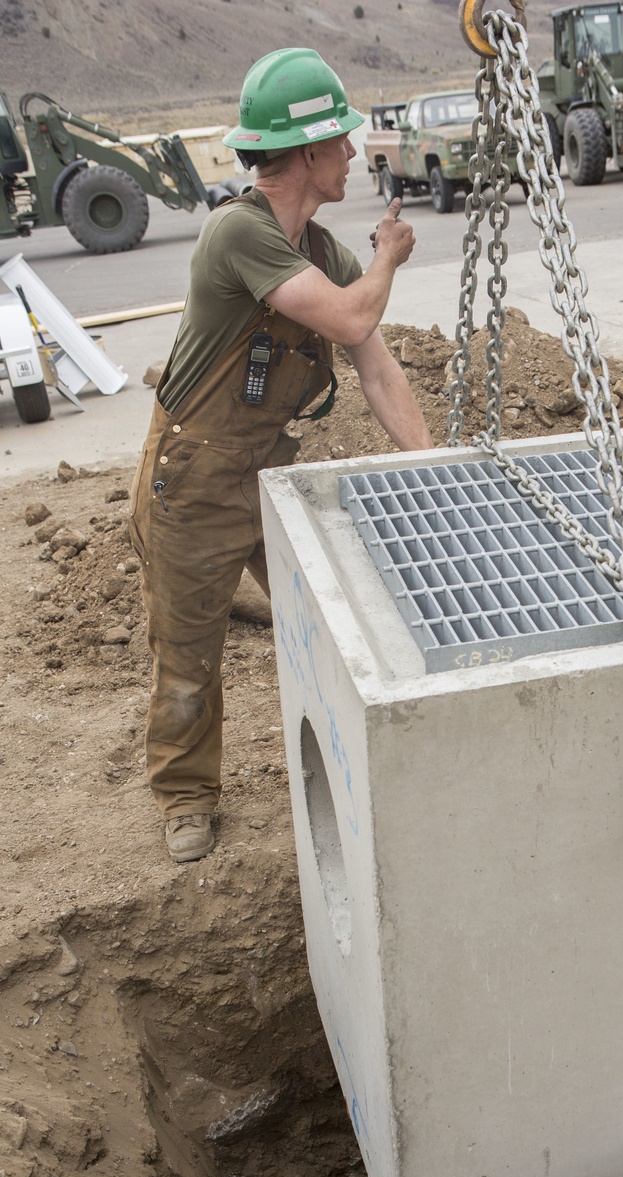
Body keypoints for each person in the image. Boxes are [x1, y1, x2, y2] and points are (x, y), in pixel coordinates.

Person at [128, 48, 431, 864]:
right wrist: (386, 257)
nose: (350, 154)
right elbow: (347, 320)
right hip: (192, 480)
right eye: (338, 141)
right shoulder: (240, 233)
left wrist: (433, 463)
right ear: (303, 153)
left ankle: (343, 758)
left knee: (327, 621)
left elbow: (376, 362)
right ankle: (186, 795)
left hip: (264, 470)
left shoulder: (319, 247)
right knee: (188, 652)